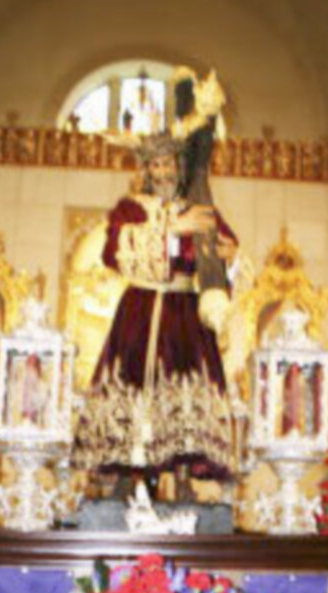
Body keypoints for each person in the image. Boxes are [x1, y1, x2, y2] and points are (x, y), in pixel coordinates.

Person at [75, 133, 238, 486]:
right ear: (146, 170)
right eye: (156, 165)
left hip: (186, 314)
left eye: (168, 164)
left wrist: (229, 258)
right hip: (140, 310)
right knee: (132, 389)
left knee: (185, 396)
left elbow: (225, 253)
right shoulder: (131, 207)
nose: (162, 172)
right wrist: (171, 229)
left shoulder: (200, 205)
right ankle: (123, 481)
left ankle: (183, 481)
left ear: (180, 168)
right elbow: (113, 250)